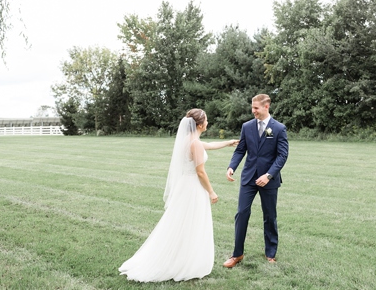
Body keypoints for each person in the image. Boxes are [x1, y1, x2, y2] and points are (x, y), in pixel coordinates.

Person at [119, 109, 239, 282]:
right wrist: (211, 192)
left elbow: (210, 145)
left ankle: (182, 257)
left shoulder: (188, 140)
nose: (208, 122)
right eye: (206, 120)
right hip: (193, 188)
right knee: (192, 222)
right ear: (199, 124)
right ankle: (183, 262)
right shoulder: (195, 143)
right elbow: (200, 172)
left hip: (185, 185)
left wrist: (229, 143)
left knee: (182, 222)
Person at [223, 94, 288, 268]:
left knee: (269, 216)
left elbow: (282, 156)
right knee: (241, 213)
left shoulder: (279, 129)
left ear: (266, 107)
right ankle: (237, 254)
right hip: (249, 177)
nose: (253, 111)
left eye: (256, 108)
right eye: (252, 108)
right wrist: (232, 166)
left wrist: (268, 175)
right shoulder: (247, 126)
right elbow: (240, 150)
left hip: (269, 180)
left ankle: (271, 252)